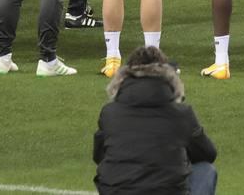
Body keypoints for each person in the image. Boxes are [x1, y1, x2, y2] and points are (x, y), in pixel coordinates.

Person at [93, 46, 218, 195]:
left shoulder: (110, 113)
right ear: (168, 77)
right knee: (204, 170)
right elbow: (207, 154)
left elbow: (99, 156)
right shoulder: (181, 114)